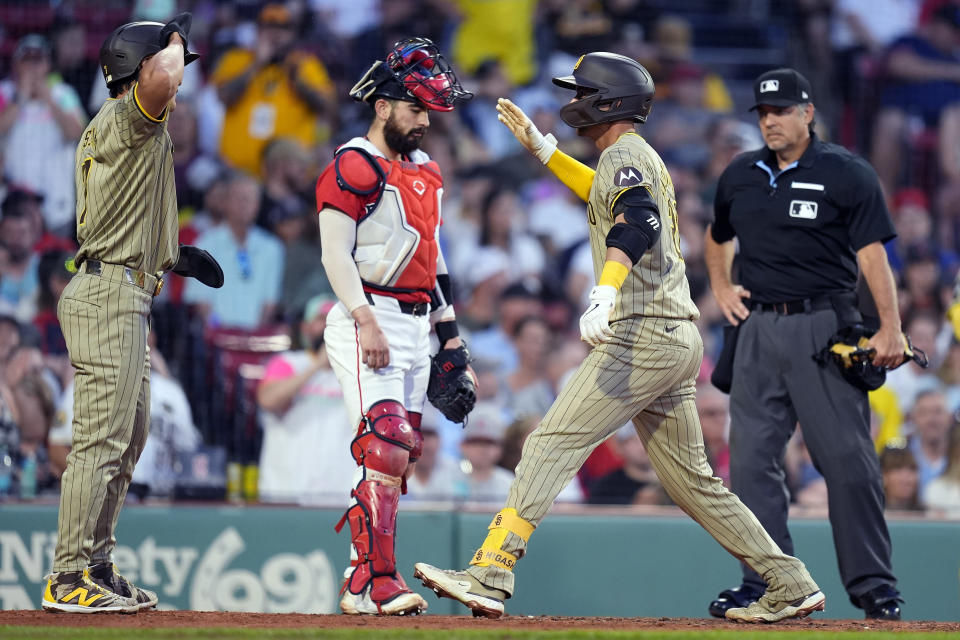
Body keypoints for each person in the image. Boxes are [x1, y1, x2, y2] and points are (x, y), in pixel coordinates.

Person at [414, 52, 824, 624]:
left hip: (643, 334)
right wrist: (546, 151)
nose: (573, 98)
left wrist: (604, 290)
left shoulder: (627, 154)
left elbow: (639, 221)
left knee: (548, 442)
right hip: (676, 338)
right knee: (693, 484)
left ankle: (489, 572)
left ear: (607, 102)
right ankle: (789, 581)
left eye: (582, 91)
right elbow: (606, 193)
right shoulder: (627, 155)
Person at [703, 67, 906, 621]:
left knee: (847, 460)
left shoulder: (846, 173)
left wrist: (889, 326)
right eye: (763, 113)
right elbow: (717, 236)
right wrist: (721, 284)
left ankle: (873, 586)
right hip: (758, 329)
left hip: (822, 326)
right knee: (748, 464)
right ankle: (768, 581)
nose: (770, 120)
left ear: (808, 112)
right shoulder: (740, 174)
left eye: (782, 111)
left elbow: (872, 256)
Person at [41, 14, 222, 614]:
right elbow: (165, 81)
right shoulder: (126, 116)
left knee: (130, 434)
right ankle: (67, 575)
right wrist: (170, 43)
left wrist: (172, 253)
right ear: (140, 68)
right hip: (108, 293)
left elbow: (125, 206)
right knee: (102, 439)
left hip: (127, 289)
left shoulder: (134, 128)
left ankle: (94, 564)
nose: (179, 69)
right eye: (169, 59)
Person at [314, 37, 472, 616]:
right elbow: (335, 255)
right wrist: (363, 321)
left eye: (428, 110)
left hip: (414, 323)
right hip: (368, 314)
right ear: (382, 105)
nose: (424, 121)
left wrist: (450, 336)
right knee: (382, 442)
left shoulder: (426, 171)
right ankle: (376, 581)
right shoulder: (353, 163)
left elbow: (433, 256)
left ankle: (364, 579)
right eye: (415, 107)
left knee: (400, 457)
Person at [211, 3, 335, 176]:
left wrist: (298, 81)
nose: (275, 35)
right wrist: (256, 64)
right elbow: (224, 97)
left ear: (292, 35)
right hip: (237, 171)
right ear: (258, 32)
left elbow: (328, 106)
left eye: (283, 29)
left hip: (289, 174)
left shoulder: (305, 64)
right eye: (268, 27)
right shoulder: (236, 59)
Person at [256, 295, 354, 505]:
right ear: (305, 328)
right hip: (286, 493)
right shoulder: (288, 363)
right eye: (321, 318)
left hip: (339, 497)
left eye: (335, 318)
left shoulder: (356, 371)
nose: (329, 325)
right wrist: (317, 366)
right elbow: (267, 399)